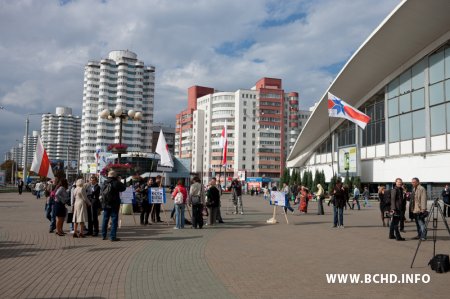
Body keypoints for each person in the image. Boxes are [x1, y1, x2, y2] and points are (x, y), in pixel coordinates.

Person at [101, 171, 126, 241]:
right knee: (114, 220)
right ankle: (112, 237)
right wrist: (119, 180)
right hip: (114, 204)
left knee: (105, 220)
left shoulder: (104, 183)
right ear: (115, 176)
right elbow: (124, 188)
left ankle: (103, 235)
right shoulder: (116, 182)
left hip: (105, 204)